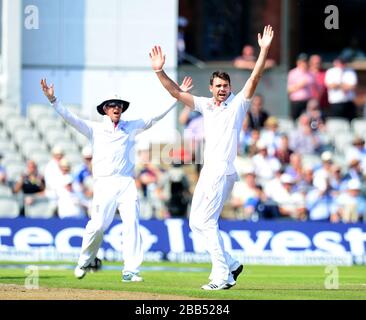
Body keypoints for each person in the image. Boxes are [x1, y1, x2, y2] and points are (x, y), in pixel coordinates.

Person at [149, 25, 274, 290]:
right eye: (218, 86)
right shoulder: (205, 104)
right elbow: (175, 92)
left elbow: (255, 78)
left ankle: (222, 277)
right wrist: (159, 71)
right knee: (196, 222)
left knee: (206, 222)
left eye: (225, 86)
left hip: (222, 170)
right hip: (209, 170)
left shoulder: (238, 105)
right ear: (211, 87)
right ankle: (230, 264)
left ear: (230, 87)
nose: (222, 89)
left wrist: (263, 51)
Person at [40, 76, 193, 281]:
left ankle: (130, 270)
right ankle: (84, 261)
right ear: (104, 109)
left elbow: (156, 116)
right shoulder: (95, 129)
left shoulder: (131, 126)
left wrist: (177, 96)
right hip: (104, 183)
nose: (116, 108)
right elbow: (70, 118)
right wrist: (53, 100)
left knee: (132, 224)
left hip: (126, 182)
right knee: (97, 226)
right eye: (112, 105)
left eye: (119, 105)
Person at [325, 56, 358, 121]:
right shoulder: (330, 71)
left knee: (351, 122)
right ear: (335, 62)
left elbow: (353, 86)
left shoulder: (350, 71)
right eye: (340, 62)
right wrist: (344, 85)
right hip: (336, 102)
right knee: (337, 122)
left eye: (343, 63)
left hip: (349, 102)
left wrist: (338, 85)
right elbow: (330, 85)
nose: (342, 64)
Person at [287, 53, 316, 120]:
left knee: (309, 120)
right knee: (295, 120)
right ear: (298, 62)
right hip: (297, 102)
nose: (305, 63)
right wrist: (300, 85)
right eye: (303, 61)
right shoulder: (293, 73)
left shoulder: (311, 73)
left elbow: (315, 88)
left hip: (308, 102)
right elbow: (289, 90)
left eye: (306, 61)